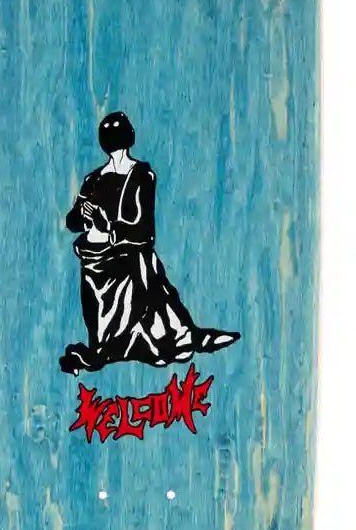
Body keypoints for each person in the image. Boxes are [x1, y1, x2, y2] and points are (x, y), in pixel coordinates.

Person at [59, 111, 240, 375]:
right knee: (105, 336)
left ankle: (156, 339)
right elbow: (72, 221)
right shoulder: (93, 179)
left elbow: (144, 232)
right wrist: (84, 216)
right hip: (95, 266)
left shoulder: (141, 176)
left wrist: (108, 226)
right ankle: (110, 346)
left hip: (130, 265)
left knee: (150, 302)